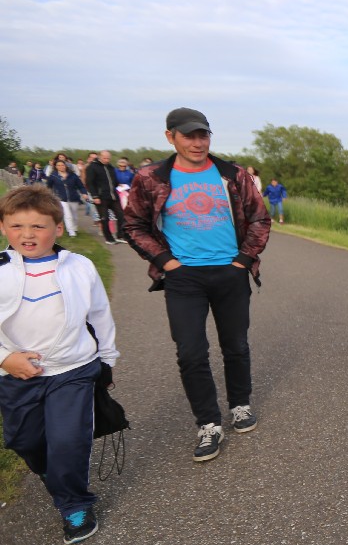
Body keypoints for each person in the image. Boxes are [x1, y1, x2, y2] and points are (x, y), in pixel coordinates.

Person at [123, 108, 270, 462]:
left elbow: (259, 218)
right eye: (189, 136)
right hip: (183, 277)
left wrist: (243, 261)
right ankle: (208, 423)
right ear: (170, 136)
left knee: (235, 345)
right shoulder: (151, 178)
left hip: (230, 272)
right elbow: (133, 225)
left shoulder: (233, 174)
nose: (197, 142)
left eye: (203, 135)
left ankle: (239, 405)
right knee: (190, 353)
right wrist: (166, 262)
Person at [0, 186, 119, 545]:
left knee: (67, 441)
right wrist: (5, 358)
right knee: (26, 441)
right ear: (3, 227)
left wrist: (107, 359)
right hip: (16, 375)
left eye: (38, 226)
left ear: (58, 228)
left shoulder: (79, 266)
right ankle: (54, 474)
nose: (28, 234)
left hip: (73, 369)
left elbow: (99, 314)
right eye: (17, 226)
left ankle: (74, 504)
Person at [85, 150, 127, 245]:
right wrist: (95, 196)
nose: (107, 160)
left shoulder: (110, 167)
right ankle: (109, 238)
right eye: (104, 158)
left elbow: (113, 180)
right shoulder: (92, 167)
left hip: (113, 196)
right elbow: (90, 183)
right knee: (105, 218)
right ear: (99, 157)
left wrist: (118, 184)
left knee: (121, 215)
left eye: (108, 158)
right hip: (100, 197)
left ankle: (120, 235)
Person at [44, 159, 87, 238]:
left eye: (62, 165)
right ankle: (71, 232)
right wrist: (48, 195)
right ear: (56, 167)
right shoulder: (53, 176)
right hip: (61, 198)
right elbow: (48, 186)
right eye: (58, 165)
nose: (61, 167)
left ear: (65, 166)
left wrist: (84, 193)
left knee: (74, 216)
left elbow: (80, 186)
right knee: (68, 215)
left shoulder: (73, 175)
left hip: (73, 197)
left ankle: (74, 228)